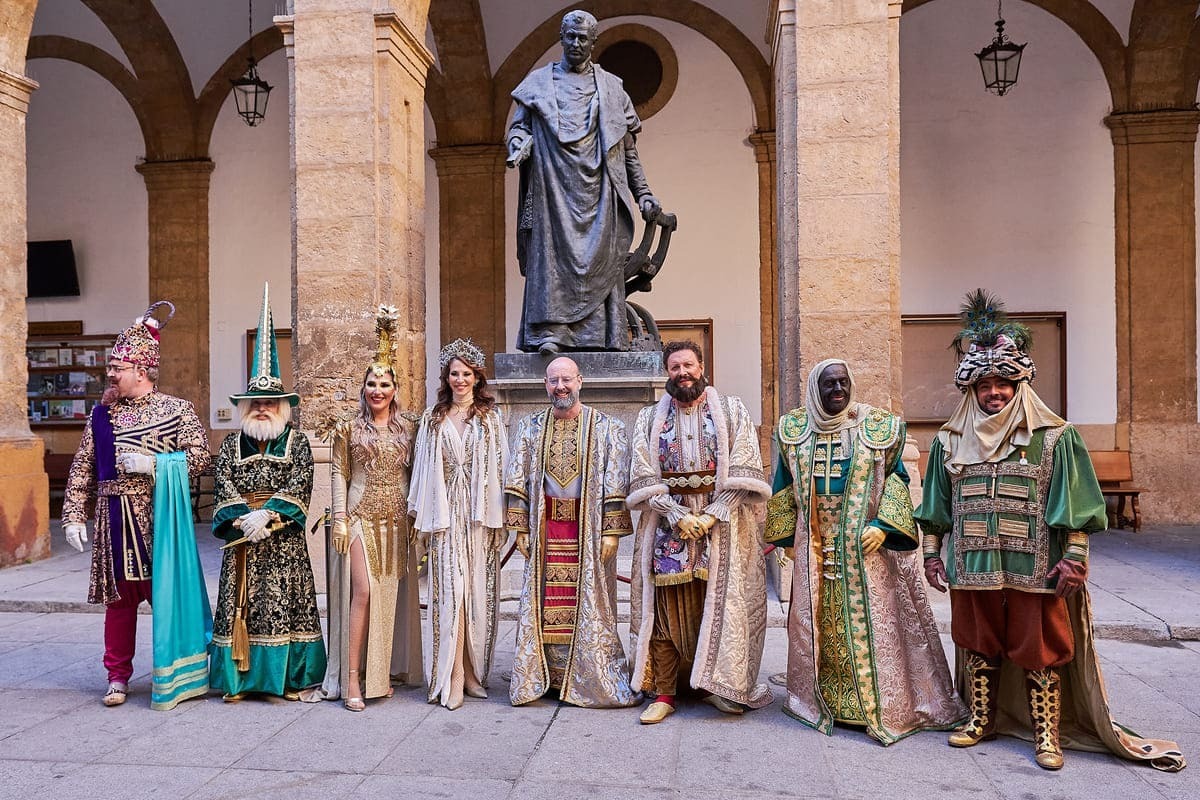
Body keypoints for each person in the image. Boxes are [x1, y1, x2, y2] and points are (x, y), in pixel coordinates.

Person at [916, 289, 1185, 772]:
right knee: (977, 644)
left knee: (1040, 649)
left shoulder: (1057, 437)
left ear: (1019, 384)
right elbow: (936, 505)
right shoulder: (948, 441)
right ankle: (981, 720)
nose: (994, 392)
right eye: (984, 385)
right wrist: (932, 553)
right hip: (972, 567)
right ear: (971, 390)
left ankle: (1047, 733)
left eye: (1003, 383)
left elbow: (1076, 503)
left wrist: (1075, 556)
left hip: (1036, 568)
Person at [765, 358, 964, 743]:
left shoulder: (878, 427)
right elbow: (783, 487)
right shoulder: (794, 431)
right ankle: (825, 699)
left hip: (866, 544)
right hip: (815, 544)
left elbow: (897, 479)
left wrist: (884, 527)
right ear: (815, 389)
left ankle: (876, 704)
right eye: (829, 384)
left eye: (843, 382)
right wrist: (786, 542)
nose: (838, 389)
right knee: (816, 621)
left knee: (875, 623)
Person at [62, 301, 212, 709]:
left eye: (118, 368)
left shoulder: (176, 410)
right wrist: (73, 515)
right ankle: (117, 677)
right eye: (110, 367)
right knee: (119, 604)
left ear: (142, 371)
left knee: (167, 600)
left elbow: (201, 458)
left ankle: (176, 673)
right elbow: (83, 465)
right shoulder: (101, 415)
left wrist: (156, 464)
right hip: (113, 523)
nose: (110, 374)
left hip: (160, 523)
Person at [626, 340, 772, 724]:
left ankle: (713, 687)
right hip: (667, 527)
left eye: (688, 365)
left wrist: (712, 515)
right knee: (664, 610)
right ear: (667, 372)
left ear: (702, 366)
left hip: (721, 528)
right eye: (675, 367)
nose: (682, 373)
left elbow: (744, 466)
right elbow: (641, 472)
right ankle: (664, 693)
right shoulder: (648, 418)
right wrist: (675, 514)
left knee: (718, 605)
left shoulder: (732, 410)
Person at [507, 9, 662, 354]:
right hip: (552, 188)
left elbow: (627, 150)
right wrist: (518, 143)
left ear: (594, 42)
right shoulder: (538, 84)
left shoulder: (612, 88)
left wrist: (644, 193)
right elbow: (519, 128)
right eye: (570, 37)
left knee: (602, 260)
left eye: (583, 38)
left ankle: (602, 336)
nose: (576, 43)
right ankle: (551, 331)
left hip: (600, 192)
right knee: (550, 258)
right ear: (561, 38)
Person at [209, 285, 326, 702]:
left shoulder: (297, 442)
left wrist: (270, 515)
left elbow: (300, 481)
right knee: (241, 607)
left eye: (270, 402)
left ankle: (287, 680)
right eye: (255, 402)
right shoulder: (230, 444)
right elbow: (223, 482)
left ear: (283, 406)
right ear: (245, 407)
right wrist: (243, 518)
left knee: (284, 606)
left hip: (283, 543)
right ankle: (241, 681)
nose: (262, 408)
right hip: (242, 539)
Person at [505, 356, 639, 707]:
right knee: (544, 601)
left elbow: (615, 481)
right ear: (545, 385)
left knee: (591, 601)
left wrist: (611, 531)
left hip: (588, 530)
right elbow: (517, 477)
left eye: (566, 379)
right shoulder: (530, 427)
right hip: (545, 527)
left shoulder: (608, 427)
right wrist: (519, 527)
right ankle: (546, 675)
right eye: (554, 381)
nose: (560, 386)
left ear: (580, 381)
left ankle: (587, 674)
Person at [305, 306, 421, 711]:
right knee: (364, 592)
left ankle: (379, 675)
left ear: (395, 389)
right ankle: (352, 677)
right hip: (358, 518)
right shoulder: (348, 428)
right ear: (363, 388)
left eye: (384, 384)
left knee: (387, 598)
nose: (377, 390)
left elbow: (418, 473)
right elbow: (338, 472)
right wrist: (338, 518)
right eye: (371, 383)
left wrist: (418, 517)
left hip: (396, 522)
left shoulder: (410, 428)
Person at [408, 338, 508, 710]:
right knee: (451, 590)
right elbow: (422, 470)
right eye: (454, 374)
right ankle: (449, 674)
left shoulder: (490, 419)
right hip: (445, 515)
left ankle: (471, 672)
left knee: (477, 593)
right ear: (446, 377)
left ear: (477, 377)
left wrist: (502, 519)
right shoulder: (432, 419)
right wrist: (421, 519)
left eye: (466, 374)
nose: (460, 380)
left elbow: (502, 468)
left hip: (479, 516)